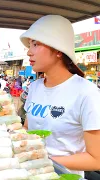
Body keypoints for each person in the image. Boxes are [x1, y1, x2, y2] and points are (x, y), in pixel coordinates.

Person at [21, 15, 100, 178]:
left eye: (35, 44)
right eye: (29, 45)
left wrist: (44, 160)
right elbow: (27, 129)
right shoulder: (35, 87)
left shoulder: (86, 92)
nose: (29, 52)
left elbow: (96, 159)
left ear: (58, 50)